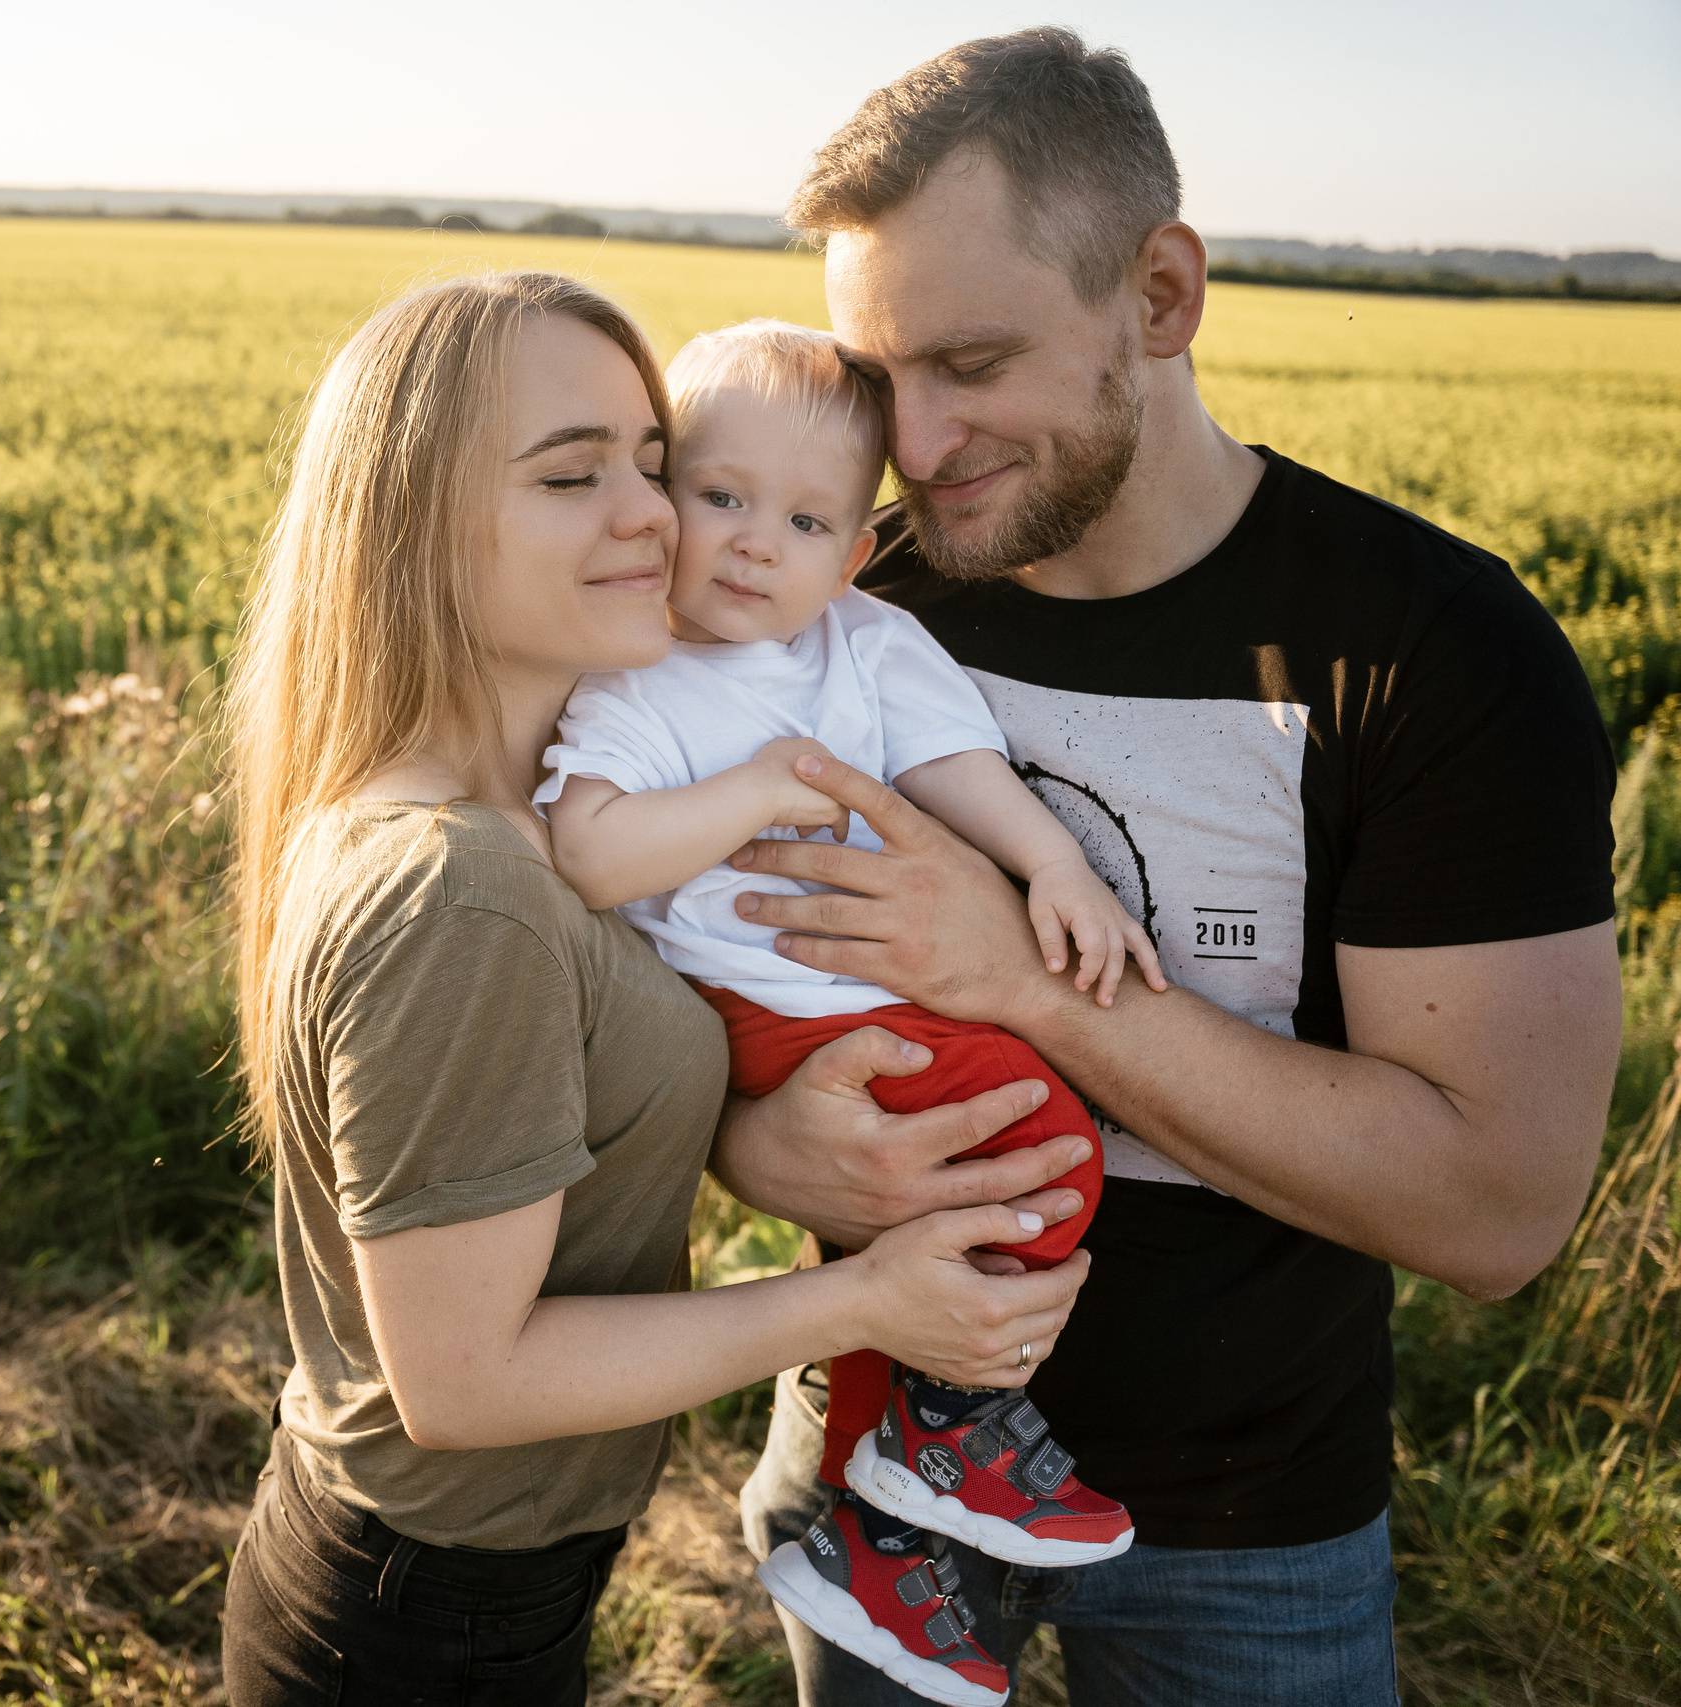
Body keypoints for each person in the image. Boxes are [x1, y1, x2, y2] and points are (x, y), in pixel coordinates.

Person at [711, 28, 1622, 1707]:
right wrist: (758, 1146)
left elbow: (1500, 1209)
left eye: (972, 362)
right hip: (870, 1452)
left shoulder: (1431, 652)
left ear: (1163, 295)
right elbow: (679, 963)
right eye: (875, 376)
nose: (912, 441)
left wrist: (1009, 974)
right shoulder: (831, 593)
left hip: (1248, 1533)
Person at [217, 270, 1091, 1707]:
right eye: (575, 475)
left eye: (651, 462)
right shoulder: (464, 886)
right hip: (421, 1623)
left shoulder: (536, 799)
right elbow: (467, 1385)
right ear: (418, 520)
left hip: (477, 1584)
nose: (654, 517)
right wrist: (864, 1302)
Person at [533, 319, 1152, 1704]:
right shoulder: (638, 670)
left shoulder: (864, 644)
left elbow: (953, 763)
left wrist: (1052, 860)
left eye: (806, 520)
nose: (756, 544)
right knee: (1038, 1144)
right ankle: (938, 1443)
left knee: (960, 1202)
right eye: (721, 497)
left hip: (863, 1001)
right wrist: (756, 789)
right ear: (659, 492)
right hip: (764, 1007)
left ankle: (883, 1525)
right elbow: (589, 851)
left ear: (856, 556)